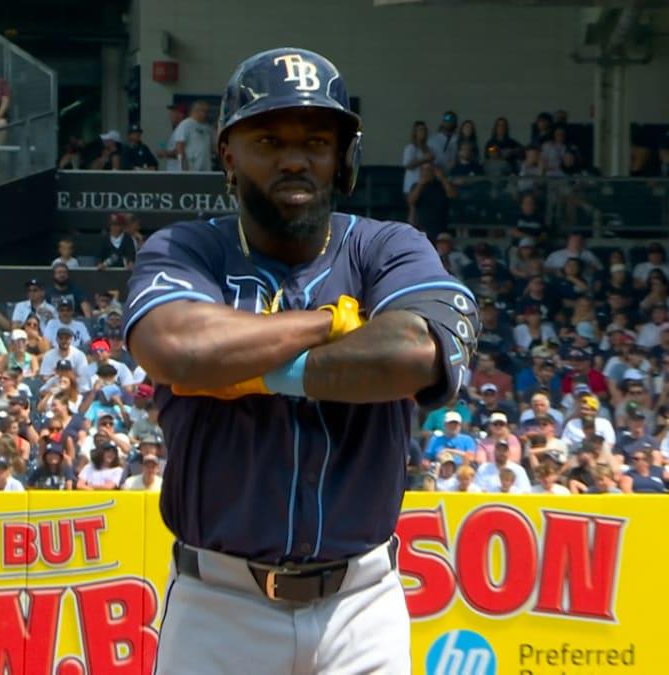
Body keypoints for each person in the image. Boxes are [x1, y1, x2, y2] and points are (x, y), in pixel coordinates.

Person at [125, 49, 479, 673]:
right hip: (218, 603)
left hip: (361, 606)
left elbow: (414, 353)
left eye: (316, 141)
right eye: (268, 140)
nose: (294, 159)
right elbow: (176, 349)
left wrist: (247, 371)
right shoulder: (186, 247)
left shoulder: (388, 247)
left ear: (343, 158)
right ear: (228, 155)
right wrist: (329, 323)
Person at [171, 99, 214, 171]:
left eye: (207, 111)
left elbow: (213, 147)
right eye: (203, 111)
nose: (206, 114)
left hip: (206, 167)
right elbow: (179, 146)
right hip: (191, 167)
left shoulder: (207, 128)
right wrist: (183, 166)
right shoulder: (186, 124)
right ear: (195, 111)